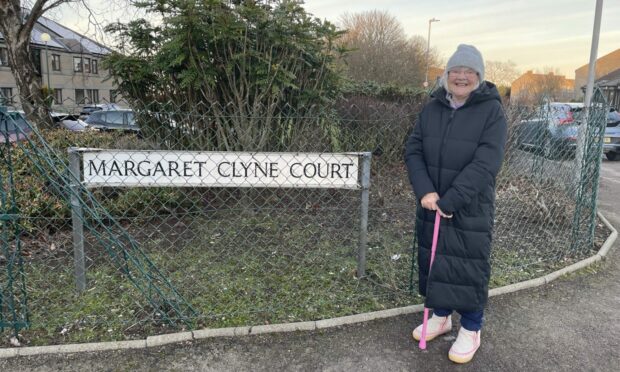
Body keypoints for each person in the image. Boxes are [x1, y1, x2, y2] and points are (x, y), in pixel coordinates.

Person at [404, 44, 507, 364]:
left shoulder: (492, 111)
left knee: (468, 266)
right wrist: (425, 191)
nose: (461, 76)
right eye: (455, 71)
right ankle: (441, 315)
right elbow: (414, 150)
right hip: (433, 202)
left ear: (479, 76)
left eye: (469, 71)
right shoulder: (432, 107)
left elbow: (487, 161)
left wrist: (454, 199)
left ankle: (471, 328)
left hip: (469, 206)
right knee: (435, 261)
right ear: (446, 75)